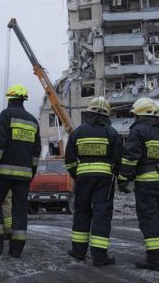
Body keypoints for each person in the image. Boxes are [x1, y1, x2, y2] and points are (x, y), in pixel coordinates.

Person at [0, 84, 41, 258]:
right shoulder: (32, 120)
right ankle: (16, 249)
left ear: (10, 99)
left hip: (4, 173)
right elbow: (37, 150)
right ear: (24, 100)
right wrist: (32, 171)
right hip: (24, 175)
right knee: (20, 209)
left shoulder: (6, 115)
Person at [119, 98, 159, 271]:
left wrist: (123, 179)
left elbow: (131, 157)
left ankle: (155, 260)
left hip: (147, 183)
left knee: (149, 220)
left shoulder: (138, 130)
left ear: (140, 114)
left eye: (135, 114)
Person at [65, 96, 121, 266]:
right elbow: (118, 160)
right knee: (101, 215)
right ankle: (99, 256)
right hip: (104, 180)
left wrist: (77, 173)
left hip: (82, 180)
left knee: (82, 212)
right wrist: (115, 174)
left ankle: (78, 252)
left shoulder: (78, 132)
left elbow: (69, 159)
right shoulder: (112, 133)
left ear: (88, 113)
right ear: (107, 115)